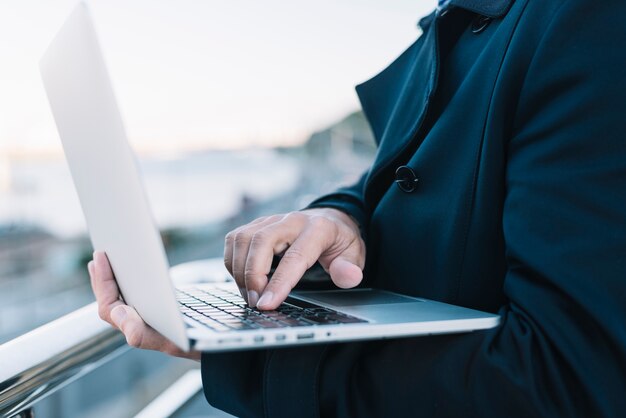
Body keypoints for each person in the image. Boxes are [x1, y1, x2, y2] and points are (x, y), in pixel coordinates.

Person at [89, 0, 626, 416]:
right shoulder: (463, 21)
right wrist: (336, 215)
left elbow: (566, 383)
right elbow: (395, 176)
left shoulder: (587, 20)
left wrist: (256, 356)